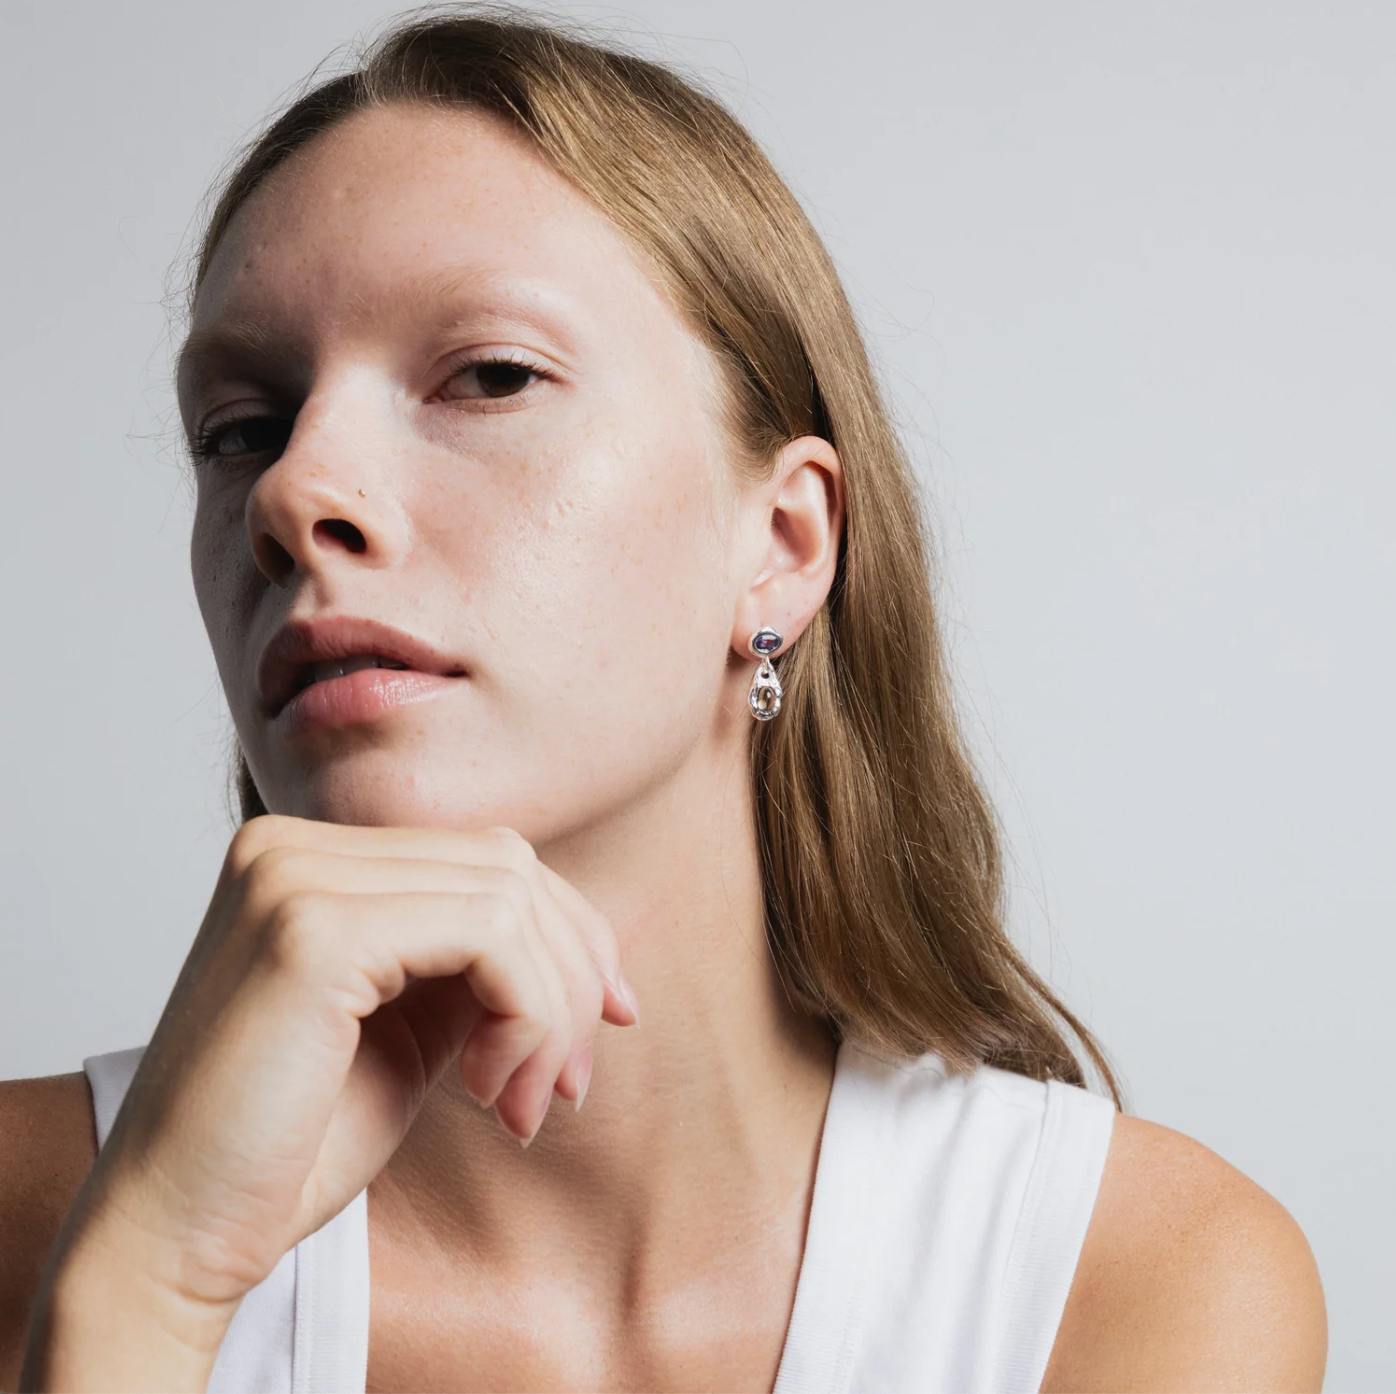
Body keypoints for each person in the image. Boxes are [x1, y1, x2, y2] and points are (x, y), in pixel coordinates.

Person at [0, 9, 1326, 1391]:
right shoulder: (29, 1223)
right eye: (239, 429)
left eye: (490, 375)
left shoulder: (1128, 1286)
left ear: (785, 542)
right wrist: (143, 1284)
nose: (291, 492)